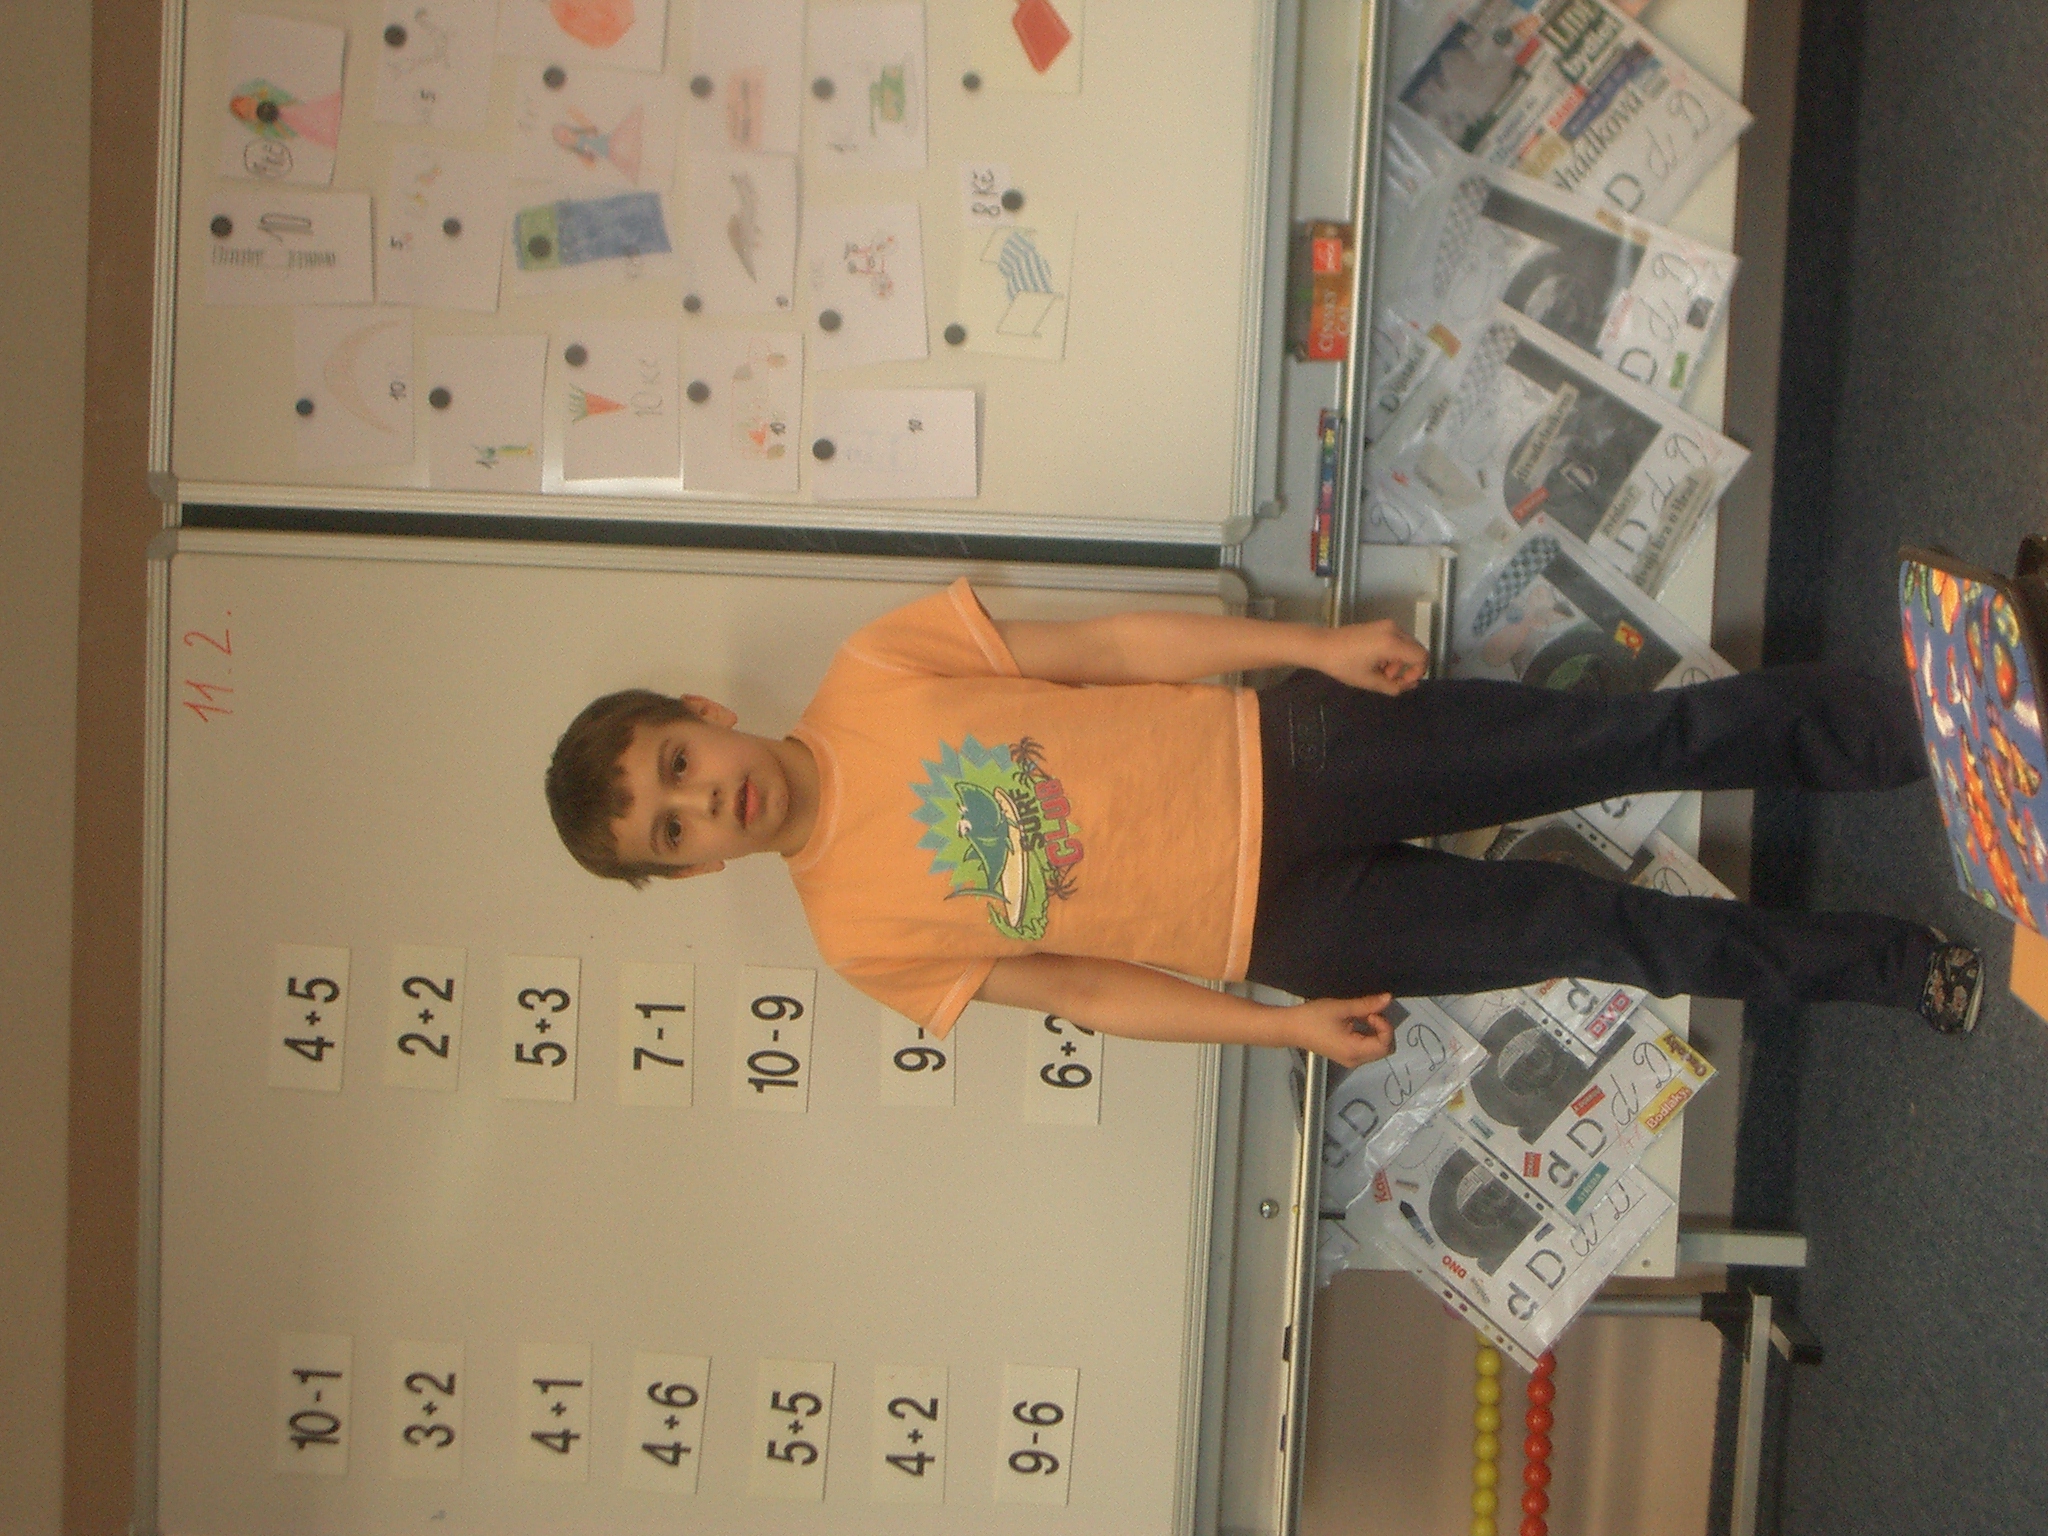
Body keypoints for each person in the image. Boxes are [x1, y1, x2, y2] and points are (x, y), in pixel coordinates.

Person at [544, 579, 1983, 1070]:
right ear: (693, 869)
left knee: (1625, 739)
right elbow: (1089, 992)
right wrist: (1278, 1029)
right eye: (672, 831)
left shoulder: (875, 665)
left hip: (1297, 751)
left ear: (702, 712)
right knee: (1601, 934)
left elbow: (1110, 649)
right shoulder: (859, 942)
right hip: (1284, 930)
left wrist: (1308, 647)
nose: (701, 799)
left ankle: (1923, 728)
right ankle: (1896, 966)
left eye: (677, 762)